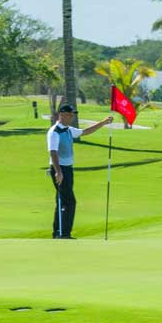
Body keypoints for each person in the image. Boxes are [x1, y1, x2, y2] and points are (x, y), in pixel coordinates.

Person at [45, 102, 113, 239]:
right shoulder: (54, 132)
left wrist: (103, 122)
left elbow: (85, 132)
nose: (71, 117)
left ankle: (58, 232)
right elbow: (53, 152)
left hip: (67, 169)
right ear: (61, 115)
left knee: (62, 200)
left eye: (72, 115)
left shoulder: (69, 130)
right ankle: (64, 233)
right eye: (69, 115)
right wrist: (58, 172)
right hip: (60, 169)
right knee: (69, 201)